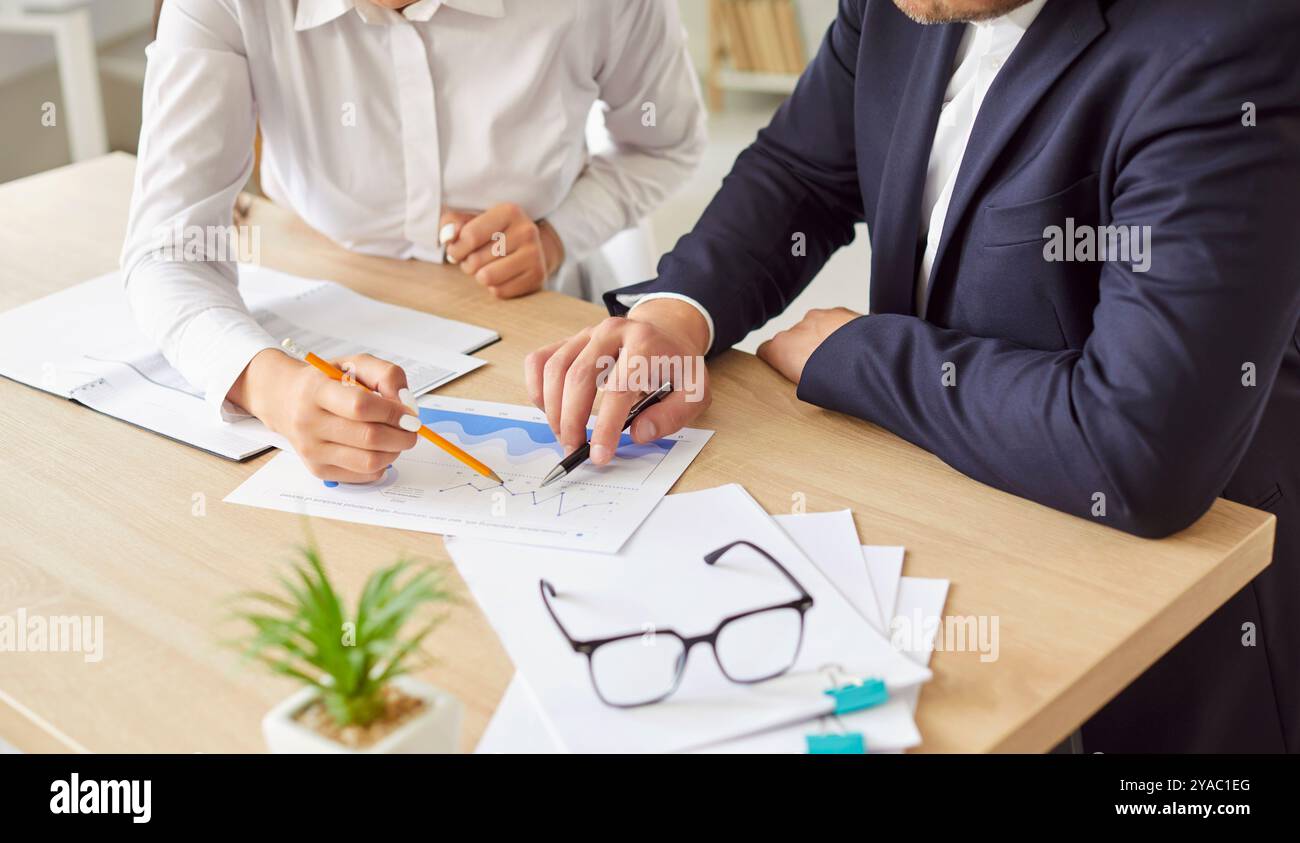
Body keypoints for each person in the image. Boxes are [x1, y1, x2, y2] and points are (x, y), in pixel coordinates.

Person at [527, 0, 1300, 752]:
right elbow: (805, 174)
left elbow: (1138, 445)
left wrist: (858, 354)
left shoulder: (1230, 36)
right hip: (942, 526)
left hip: (1161, 604)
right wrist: (677, 316)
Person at [121, 0, 705, 483]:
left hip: (533, 312)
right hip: (321, 268)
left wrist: (557, 234)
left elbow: (665, 144)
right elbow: (169, 247)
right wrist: (269, 386)